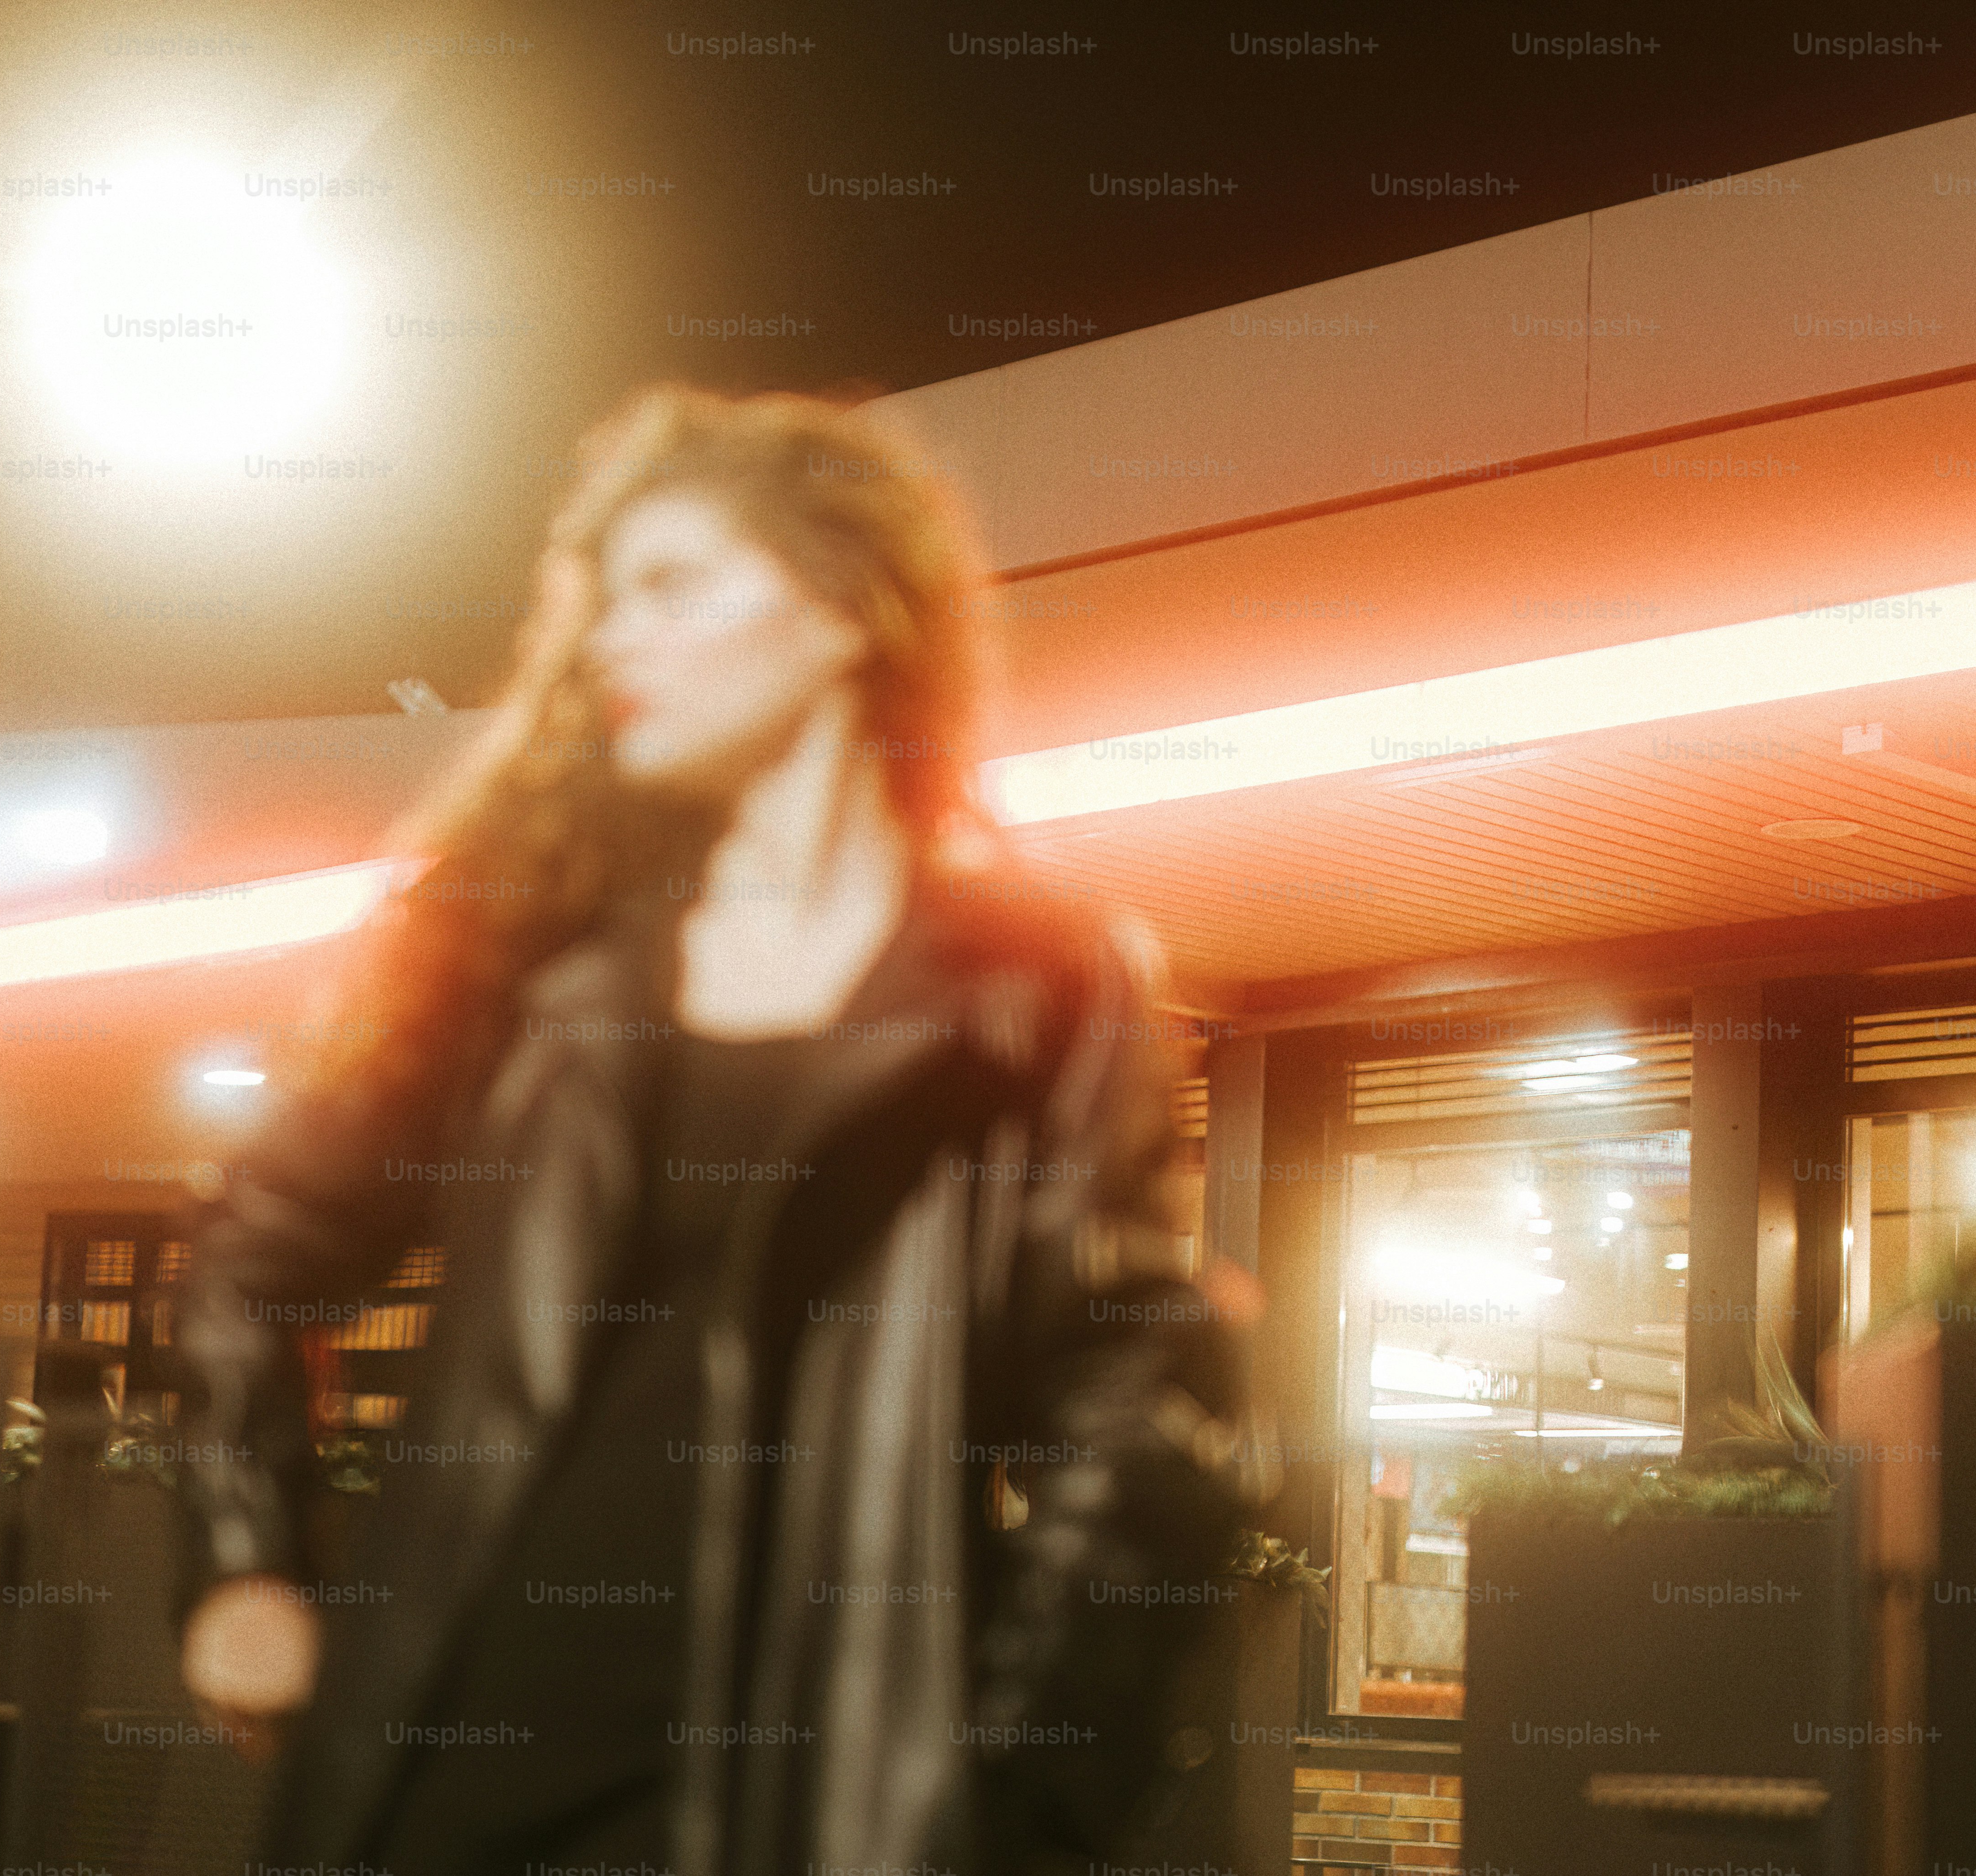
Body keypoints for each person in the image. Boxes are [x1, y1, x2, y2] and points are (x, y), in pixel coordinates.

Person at [174, 385, 1260, 1876]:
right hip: (437, 1785)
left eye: (675, 586)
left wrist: (1012, 1798)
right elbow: (254, 1253)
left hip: (807, 1820)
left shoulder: (1032, 995)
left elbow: (1135, 1421)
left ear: (842, 610)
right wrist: (245, 1564)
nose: (618, 636)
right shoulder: (530, 961)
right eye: (607, 600)